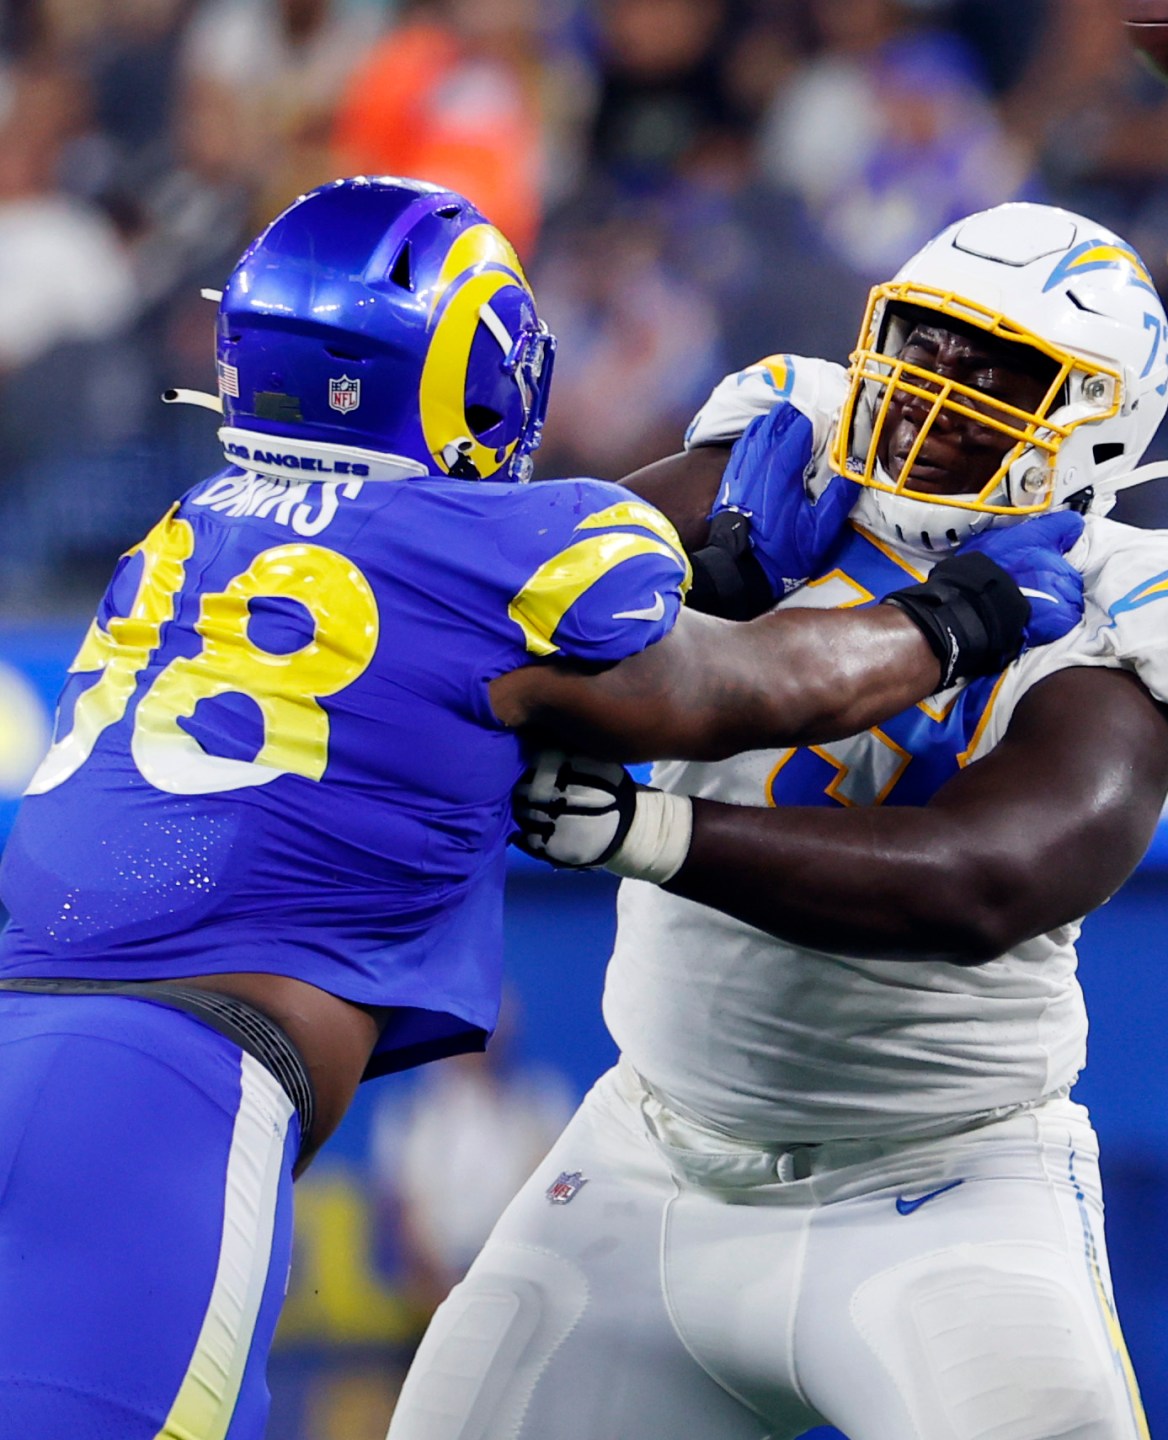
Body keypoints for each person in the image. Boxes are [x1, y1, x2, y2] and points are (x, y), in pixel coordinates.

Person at [0, 175, 1084, 1439]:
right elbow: (746, 690)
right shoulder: (503, 547)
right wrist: (954, 620)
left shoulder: (181, 530)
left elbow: (430, 648)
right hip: (166, 1087)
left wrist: (716, 564)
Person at [386, 202, 1168, 1440]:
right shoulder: (784, 457)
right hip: (649, 1154)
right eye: (922, 345)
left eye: (999, 375)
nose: (931, 392)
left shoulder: (1136, 600)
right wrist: (712, 581)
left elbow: (986, 879)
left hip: (946, 1182)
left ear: (1096, 429)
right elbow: (502, 612)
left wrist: (650, 836)